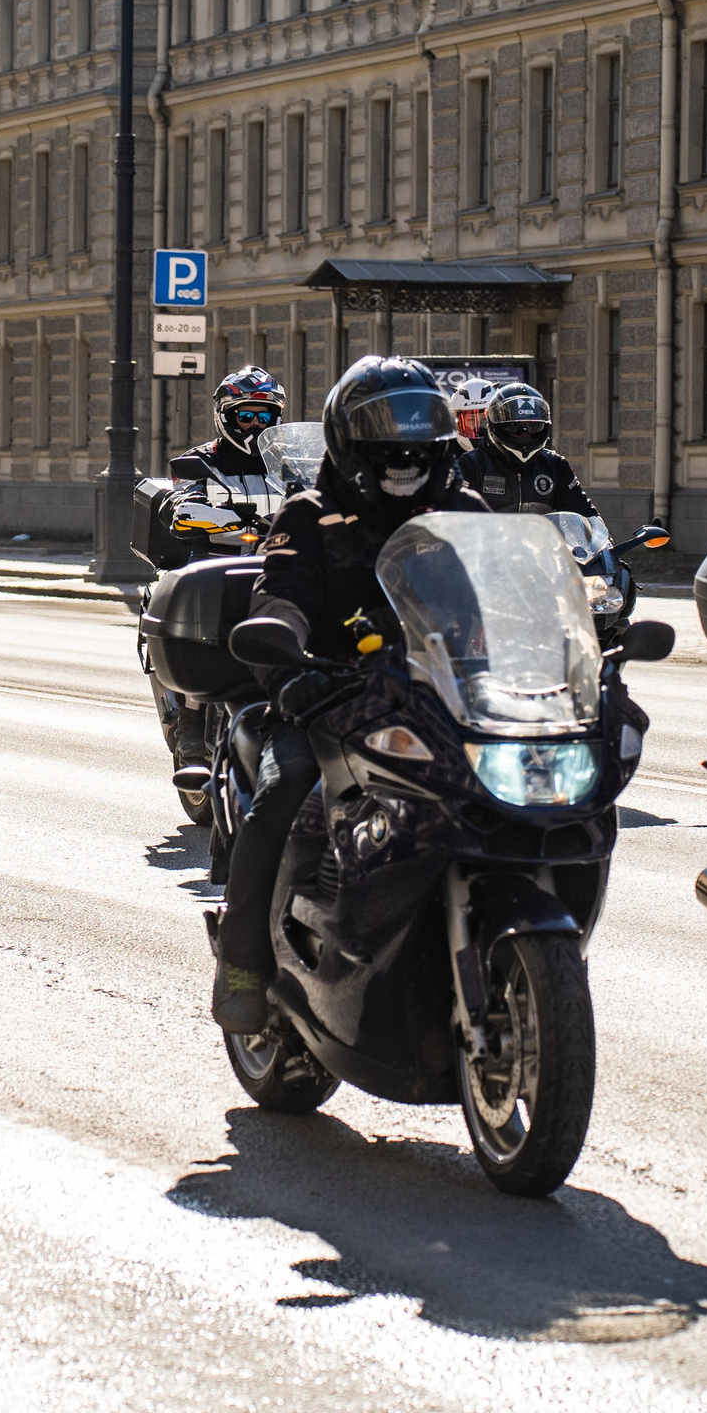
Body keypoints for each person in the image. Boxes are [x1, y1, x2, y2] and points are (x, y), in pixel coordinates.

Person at [209, 357, 490, 1033]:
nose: (403, 452)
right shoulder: (310, 516)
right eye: (384, 435)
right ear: (346, 439)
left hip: (450, 704)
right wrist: (289, 659)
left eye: (419, 435)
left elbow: (508, 600)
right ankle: (244, 965)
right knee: (289, 788)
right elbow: (280, 597)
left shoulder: (466, 511)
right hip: (330, 698)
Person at [455, 383, 600, 518]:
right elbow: (457, 518)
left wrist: (598, 541)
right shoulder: (471, 464)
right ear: (496, 425)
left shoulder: (555, 465)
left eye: (533, 427)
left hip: (543, 545)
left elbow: (585, 514)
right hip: (491, 545)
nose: (525, 434)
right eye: (515, 427)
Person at [169, 366, 283, 507]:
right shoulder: (204, 460)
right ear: (227, 418)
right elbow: (175, 504)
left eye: (264, 417)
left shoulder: (286, 461)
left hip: (281, 530)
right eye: (246, 416)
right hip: (225, 529)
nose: (255, 422)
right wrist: (186, 502)